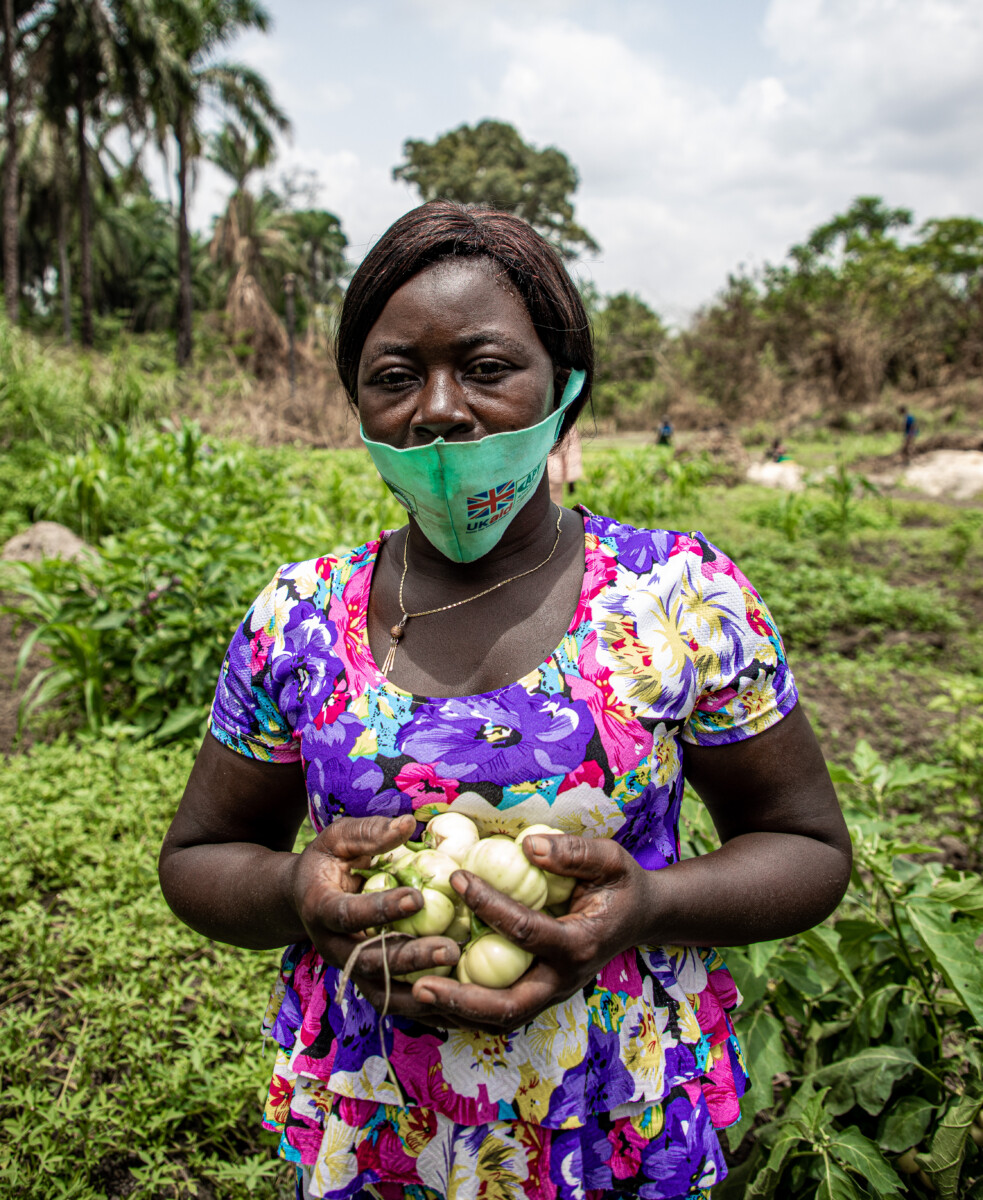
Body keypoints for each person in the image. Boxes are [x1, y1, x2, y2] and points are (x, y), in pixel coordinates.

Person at [159, 201, 851, 1200]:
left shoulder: (674, 597)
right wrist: (292, 896)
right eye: (394, 377)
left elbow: (809, 850)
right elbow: (196, 859)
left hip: (610, 1112)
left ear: (562, 389)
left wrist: (645, 904)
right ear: (357, 406)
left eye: (486, 368)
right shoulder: (297, 615)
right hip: (379, 1116)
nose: (439, 409)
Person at [547, 424, 583, 505]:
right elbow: (571, 451)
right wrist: (571, 480)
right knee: (555, 504)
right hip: (554, 472)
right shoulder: (567, 422)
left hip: (550, 473)